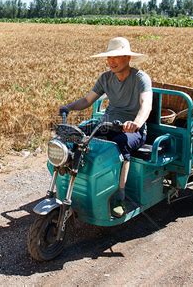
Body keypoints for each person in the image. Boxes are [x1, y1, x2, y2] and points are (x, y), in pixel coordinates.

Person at [59, 37, 152, 218]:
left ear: (127, 58)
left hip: (133, 130)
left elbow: (145, 104)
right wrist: (68, 107)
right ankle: (73, 184)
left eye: (116, 57)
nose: (111, 61)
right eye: (109, 57)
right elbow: (87, 100)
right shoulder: (105, 78)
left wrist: (136, 123)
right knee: (74, 134)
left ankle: (119, 196)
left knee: (120, 144)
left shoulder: (141, 78)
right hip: (108, 123)